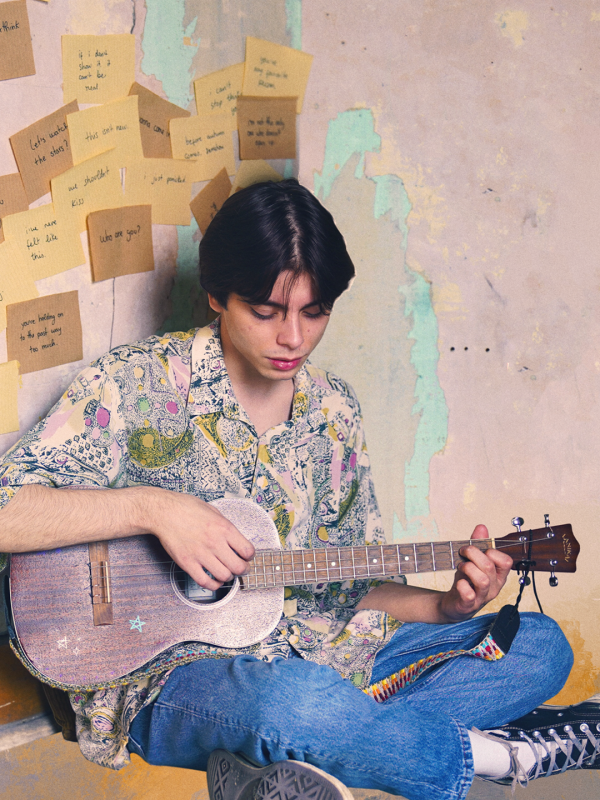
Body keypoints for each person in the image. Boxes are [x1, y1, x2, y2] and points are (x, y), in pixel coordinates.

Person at [0, 180, 596, 800]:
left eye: (314, 312)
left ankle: (303, 756)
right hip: (169, 676)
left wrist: (448, 609)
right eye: (266, 312)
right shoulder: (136, 383)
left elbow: (351, 585)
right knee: (297, 701)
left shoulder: (333, 411)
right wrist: (157, 509)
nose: (293, 338)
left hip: (325, 653)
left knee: (538, 647)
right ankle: (501, 756)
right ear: (217, 295)